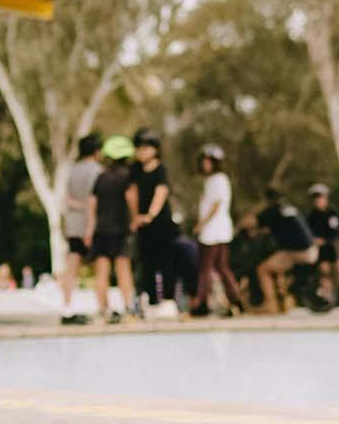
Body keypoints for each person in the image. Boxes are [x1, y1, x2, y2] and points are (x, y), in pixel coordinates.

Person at [128, 129, 180, 313]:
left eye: (146, 148)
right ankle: (151, 300)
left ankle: (168, 299)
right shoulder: (134, 170)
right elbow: (132, 193)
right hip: (142, 225)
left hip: (161, 223)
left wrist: (150, 215)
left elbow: (161, 192)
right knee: (146, 262)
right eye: (139, 148)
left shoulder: (160, 169)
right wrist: (136, 217)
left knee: (165, 261)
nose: (142, 152)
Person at [88, 136, 139, 323]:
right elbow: (131, 198)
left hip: (101, 229)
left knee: (101, 272)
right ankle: (129, 308)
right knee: (123, 269)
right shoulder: (128, 175)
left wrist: (90, 229)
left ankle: (103, 310)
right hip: (120, 228)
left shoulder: (101, 176)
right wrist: (134, 220)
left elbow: (92, 204)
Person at [59, 133, 103, 326]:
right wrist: (89, 214)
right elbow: (95, 202)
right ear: (97, 151)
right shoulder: (98, 171)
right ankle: (102, 308)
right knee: (100, 267)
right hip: (91, 225)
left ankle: (67, 307)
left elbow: (67, 199)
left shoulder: (73, 171)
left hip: (73, 224)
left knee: (72, 267)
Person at [192, 146, 241, 317]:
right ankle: (234, 299)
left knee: (206, 267)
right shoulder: (212, 180)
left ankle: (202, 302)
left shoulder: (219, 179)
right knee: (220, 266)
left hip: (213, 230)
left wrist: (201, 224)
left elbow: (216, 205)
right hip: (216, 229)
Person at [255, 188, 318, 316]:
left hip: (296, 252)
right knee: (279, 267)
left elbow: (256, 225)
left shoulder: (272, 211)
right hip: (312, 250)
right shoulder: (292, 208)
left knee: (263, 269)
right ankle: (285, 304)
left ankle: (271, 305)